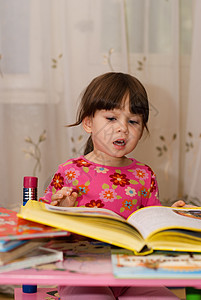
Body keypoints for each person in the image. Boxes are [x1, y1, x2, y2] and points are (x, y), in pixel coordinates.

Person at [40, 72, 186, 299]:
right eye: (111, 118)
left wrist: (172, 219)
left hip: (134, 272)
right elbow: (41, 227)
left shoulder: (144, 174)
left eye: (133, 121)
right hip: (83, 273)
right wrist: (62, 210)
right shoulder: (69, 171)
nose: (123, 128)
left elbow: (150, 226)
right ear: (88, 123)